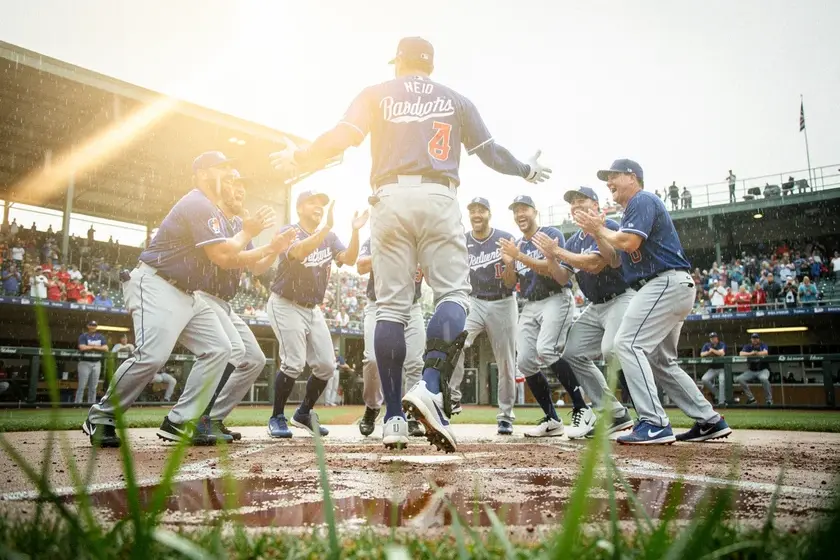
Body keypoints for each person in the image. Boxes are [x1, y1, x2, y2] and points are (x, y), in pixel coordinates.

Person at [269, 37, 550, 453]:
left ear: (398, 61)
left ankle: (394, 420)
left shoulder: (377, 93)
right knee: (454, 295)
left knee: (392, 309)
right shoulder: (456, 99)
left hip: (389, 198)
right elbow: (490, 153)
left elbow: (342, 137)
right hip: (439, 195)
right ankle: (430, 386)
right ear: (431, 66)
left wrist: (303, 157)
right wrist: (526, 169)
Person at [83, 151, 277, 448]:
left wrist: (266, 244)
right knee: (152, 356)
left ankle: (179, 420)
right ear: (201, 174)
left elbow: (234, 257)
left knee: (220, 349)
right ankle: (102, 416)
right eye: (220, 168)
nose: (227, 173)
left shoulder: (213, 209)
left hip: (187, 293)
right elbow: (224, 256)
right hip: (157, 282)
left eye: (228, 168)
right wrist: (250, 231)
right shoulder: (197, 201)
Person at [576, 159, 731, 444]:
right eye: (606, 178)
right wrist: (598, 231)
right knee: (662, 361)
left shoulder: (642, 199)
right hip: (670, 287)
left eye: (614, 176)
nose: (609, 182)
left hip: (663, 282)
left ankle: (655, 422)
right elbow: (612, 257)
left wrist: (600, 229)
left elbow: (630, 243)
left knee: (627, 344)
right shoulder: (628, 214)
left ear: (632, 177)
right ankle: (709, 420)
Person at [197, 171, 295, 441]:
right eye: (233, 184)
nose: (240, 190)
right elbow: (228, 258)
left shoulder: (241, 224)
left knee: (254, 359)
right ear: (219, 187)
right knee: (231, 350)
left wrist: (274, 248)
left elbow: (255, 267)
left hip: (225, 302)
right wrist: (262, 244)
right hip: (202, 296)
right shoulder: (211, 216)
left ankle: (213, 417)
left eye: (243, 185)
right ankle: (199, 416)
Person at [531, 186, 634, 439]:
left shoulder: (608, 224)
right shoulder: (576, 239)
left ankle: (650, 416)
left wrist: (557, 252)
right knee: (572, 352)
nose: (576, 205)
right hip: (595, 305)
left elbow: (596, 264)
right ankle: (614, 413)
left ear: (596, 205)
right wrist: (552, 258)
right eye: (572, 202)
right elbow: (562, 276)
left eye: (582, 200)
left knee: (613, 348)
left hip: (621, 297)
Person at [265, 190, 366, 439]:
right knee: (294, 362)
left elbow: (351, 259)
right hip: (285, 303)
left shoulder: (329, 237)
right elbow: (298, 252)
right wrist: (327, 228)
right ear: (300, 208)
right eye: (312, 202)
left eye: (321, 203)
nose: (318, 206)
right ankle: (276, 417)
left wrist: (354, 231)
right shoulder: (289, 230)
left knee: (325, 366)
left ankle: (303, 413)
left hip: (312, 308)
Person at [498, 195, 577, 438]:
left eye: (524, 209)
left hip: (555, 296)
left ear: (535, 211)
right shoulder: (518, 244)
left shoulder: (550, 233)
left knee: (548, 350)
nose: (520, 214)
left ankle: (582, 408)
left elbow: (551, 270)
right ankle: (552, 418)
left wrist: (518, 256)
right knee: (525, 362)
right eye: (516, 210)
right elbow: (510, 283)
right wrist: (510, 263)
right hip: (530, 304)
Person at [448, 197, 518, 435]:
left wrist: (509, 264)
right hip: (475, 301)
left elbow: (512, 282)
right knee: (456, 342)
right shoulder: (462, 240)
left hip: (503, 301)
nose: (476, 214)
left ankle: (506, 415)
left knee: (506, 360)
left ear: (489, 213)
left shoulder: (505, 238)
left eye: (481, 210)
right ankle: (453, 398)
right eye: (473, 210)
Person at [357, 238, 427, 443]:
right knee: (372, 359)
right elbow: (361, 266)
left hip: (411, 306)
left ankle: (412, 414)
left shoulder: (420, 239)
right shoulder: (379, 236)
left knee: (415, 362)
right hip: (379, 304)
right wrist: (393, 254)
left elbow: (436, 273)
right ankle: (372, 406)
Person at [76, 320, 108, 404]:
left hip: (96, 362)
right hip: (85, 362)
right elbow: (82, 348)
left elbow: (105, 348)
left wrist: (90, 346)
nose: (93, 327)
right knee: (82, 386)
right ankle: (77, 404)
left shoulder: (100, 336)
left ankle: (91, 404)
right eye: (91, 325)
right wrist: (97, 347)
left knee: (93, 387)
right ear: (88, 326)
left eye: (94, 325)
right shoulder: (83, 336)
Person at [737, 333, 773, 406]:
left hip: (763, 370)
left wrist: (757, 353)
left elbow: (765, 352)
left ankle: (769, 399)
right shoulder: (748, 346)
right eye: (753, 338)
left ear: (759, 339)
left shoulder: (763, 345)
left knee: (763, 379)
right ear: (751, 339)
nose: (755, 340)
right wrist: (751, 353)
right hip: (752, 371)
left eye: (756, 338)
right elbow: (741, 354)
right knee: (739, 378)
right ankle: (751, 399)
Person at [699, 332, 726, 406]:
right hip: (712, 368)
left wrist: (712, 351)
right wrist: (710, 352)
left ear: (717, 338)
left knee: (722, 382)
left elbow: (722, 353)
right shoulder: (707, 345)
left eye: (714, 337)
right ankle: (718, 394)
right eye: (711, 338)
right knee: (704, 379)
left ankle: (721, 402)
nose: (713, 339)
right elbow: (702, 354)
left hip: (722, 368)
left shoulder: (721, 344)